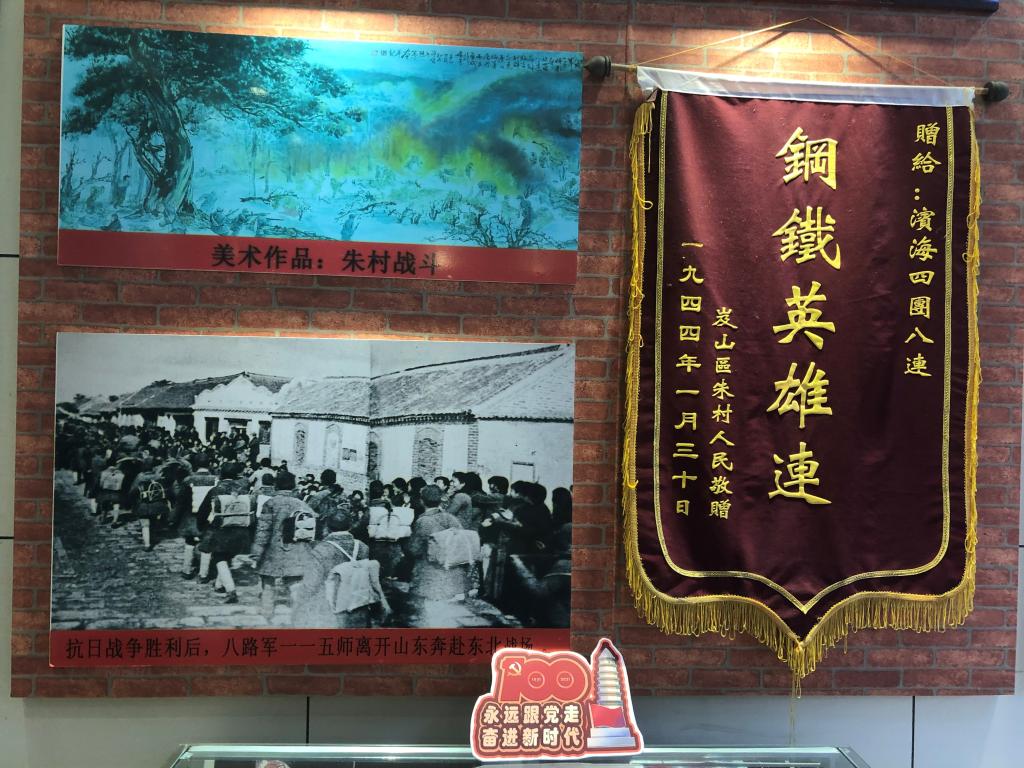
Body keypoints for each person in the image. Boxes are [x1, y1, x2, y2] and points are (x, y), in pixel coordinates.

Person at [291, 513, 388, 629]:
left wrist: (297, 603)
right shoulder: (362, 546)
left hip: (331, 609)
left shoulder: (321, 550)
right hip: (359, 605)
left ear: (327, 527)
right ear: (350, 526)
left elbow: (311, 584)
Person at [251, 472, 319, 621]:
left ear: (276, 485)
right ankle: (300, 611)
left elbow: (263, 530)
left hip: (273, 549)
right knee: (294, 582)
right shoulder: (301, 503)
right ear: (293, 485)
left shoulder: (271, 503)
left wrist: (256, 553)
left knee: (268, 581)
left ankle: (267, 612)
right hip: (296, 548)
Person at [405, 484, 470, 623]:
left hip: (428, 574)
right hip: (451, 573)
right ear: (440, 500)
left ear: (422, 500)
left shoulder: (422, 521)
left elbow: (414, 549)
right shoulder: (451, 518)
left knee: (426, 615)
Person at [195, 461, 253, 604]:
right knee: (227, 556)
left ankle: (230, 589)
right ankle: (219, 585)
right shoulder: (243, 490)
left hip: (220, 530)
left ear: (221, 474)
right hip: (240, 529)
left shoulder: (215, 490)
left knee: (219, 557)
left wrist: (201, 527)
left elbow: (203, 512)